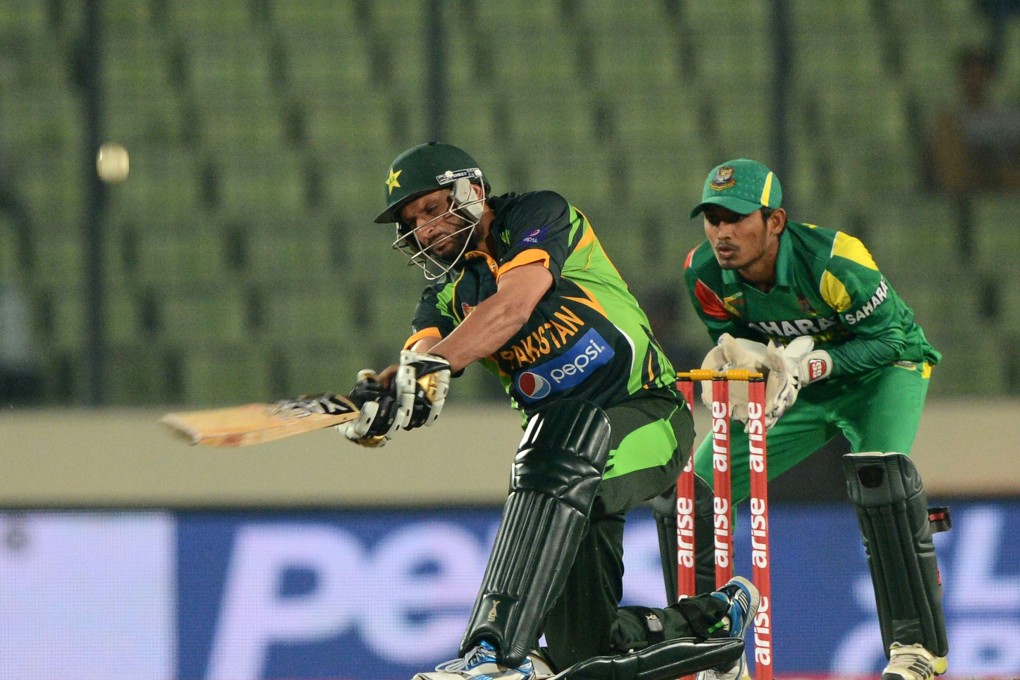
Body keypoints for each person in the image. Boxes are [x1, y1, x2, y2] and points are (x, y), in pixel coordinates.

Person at [340, 142, 759, 680]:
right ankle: (717, 619)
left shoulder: (539, 215)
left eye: (431, 208)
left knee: (550, 455)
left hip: (647, 413)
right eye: (411, 222)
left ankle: (492, 652)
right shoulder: (444, 296)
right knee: (583, 653)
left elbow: (513, 305)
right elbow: (421, 359)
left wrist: (430, 365)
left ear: (472, 191)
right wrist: (383, 397)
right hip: (566, 458)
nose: (424, 230)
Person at [683, 159, 950, 680]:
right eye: (713, 219)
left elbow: (892, 339)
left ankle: (918, 649)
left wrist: (817, 364)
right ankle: (705, 645)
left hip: (881, 370)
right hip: (795, 381)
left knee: (881, 478)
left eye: (737, 218)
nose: (723, 233)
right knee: (693, 489)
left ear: (775, 222)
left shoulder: (835, 260)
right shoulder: (704, 275)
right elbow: (749, 344)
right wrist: (747, 367)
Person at [926, 46, 1020, 193]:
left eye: (979, 74)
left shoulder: (1009, 115)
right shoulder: (948, 118)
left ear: (989, 77)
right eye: (969, 74)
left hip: (1004, 179)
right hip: (964, 181)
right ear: (961, 77)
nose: (974, 80)